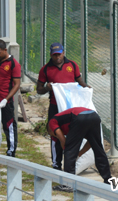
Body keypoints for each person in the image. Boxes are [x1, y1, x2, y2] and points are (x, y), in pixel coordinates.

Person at [36, 42, 90, 170]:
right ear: (51, 55)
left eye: (59, 54)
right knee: (54, 133)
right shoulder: (45, 69)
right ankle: (56, 163)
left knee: (73, 132)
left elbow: (80, 81)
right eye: (55, 55)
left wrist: (87, 89)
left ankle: (72, 161)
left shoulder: (72, 65)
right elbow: (38, 89)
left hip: (71, 106)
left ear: (63, 53)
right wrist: (47, 88)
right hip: (55, 106)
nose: (57, 57)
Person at [48, 107, 112, 192]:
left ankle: (68, 184)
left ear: (51, 130)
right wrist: (79, 154)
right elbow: (90, 142)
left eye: (53, 135)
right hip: (94, 116)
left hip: (79, 117)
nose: (55, 136)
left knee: (69, 151)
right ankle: (108, 181)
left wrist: (69, 156)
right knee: (98, 150)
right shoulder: (69, 125)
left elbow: (63, 140)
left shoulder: (52, 122)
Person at [0, 39, 22, 157]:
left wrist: (6, 99)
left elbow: (16, 84)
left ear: (5, 50)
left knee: (9, 126)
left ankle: (11, 151)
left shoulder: (13, 64)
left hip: (6, 102)